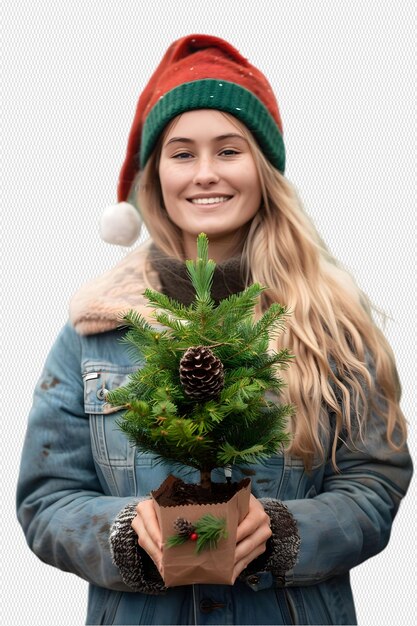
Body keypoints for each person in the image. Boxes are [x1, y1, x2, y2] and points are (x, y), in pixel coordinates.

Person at [16, 34, 412, 626]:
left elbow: (373, 482)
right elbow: (46, 499)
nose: (205, 174)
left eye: (229, 150)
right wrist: (126, 534)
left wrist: (283, 531)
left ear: (264, 167)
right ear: (155, 175)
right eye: (182, 153)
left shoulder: (330, 320)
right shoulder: (95, 327)